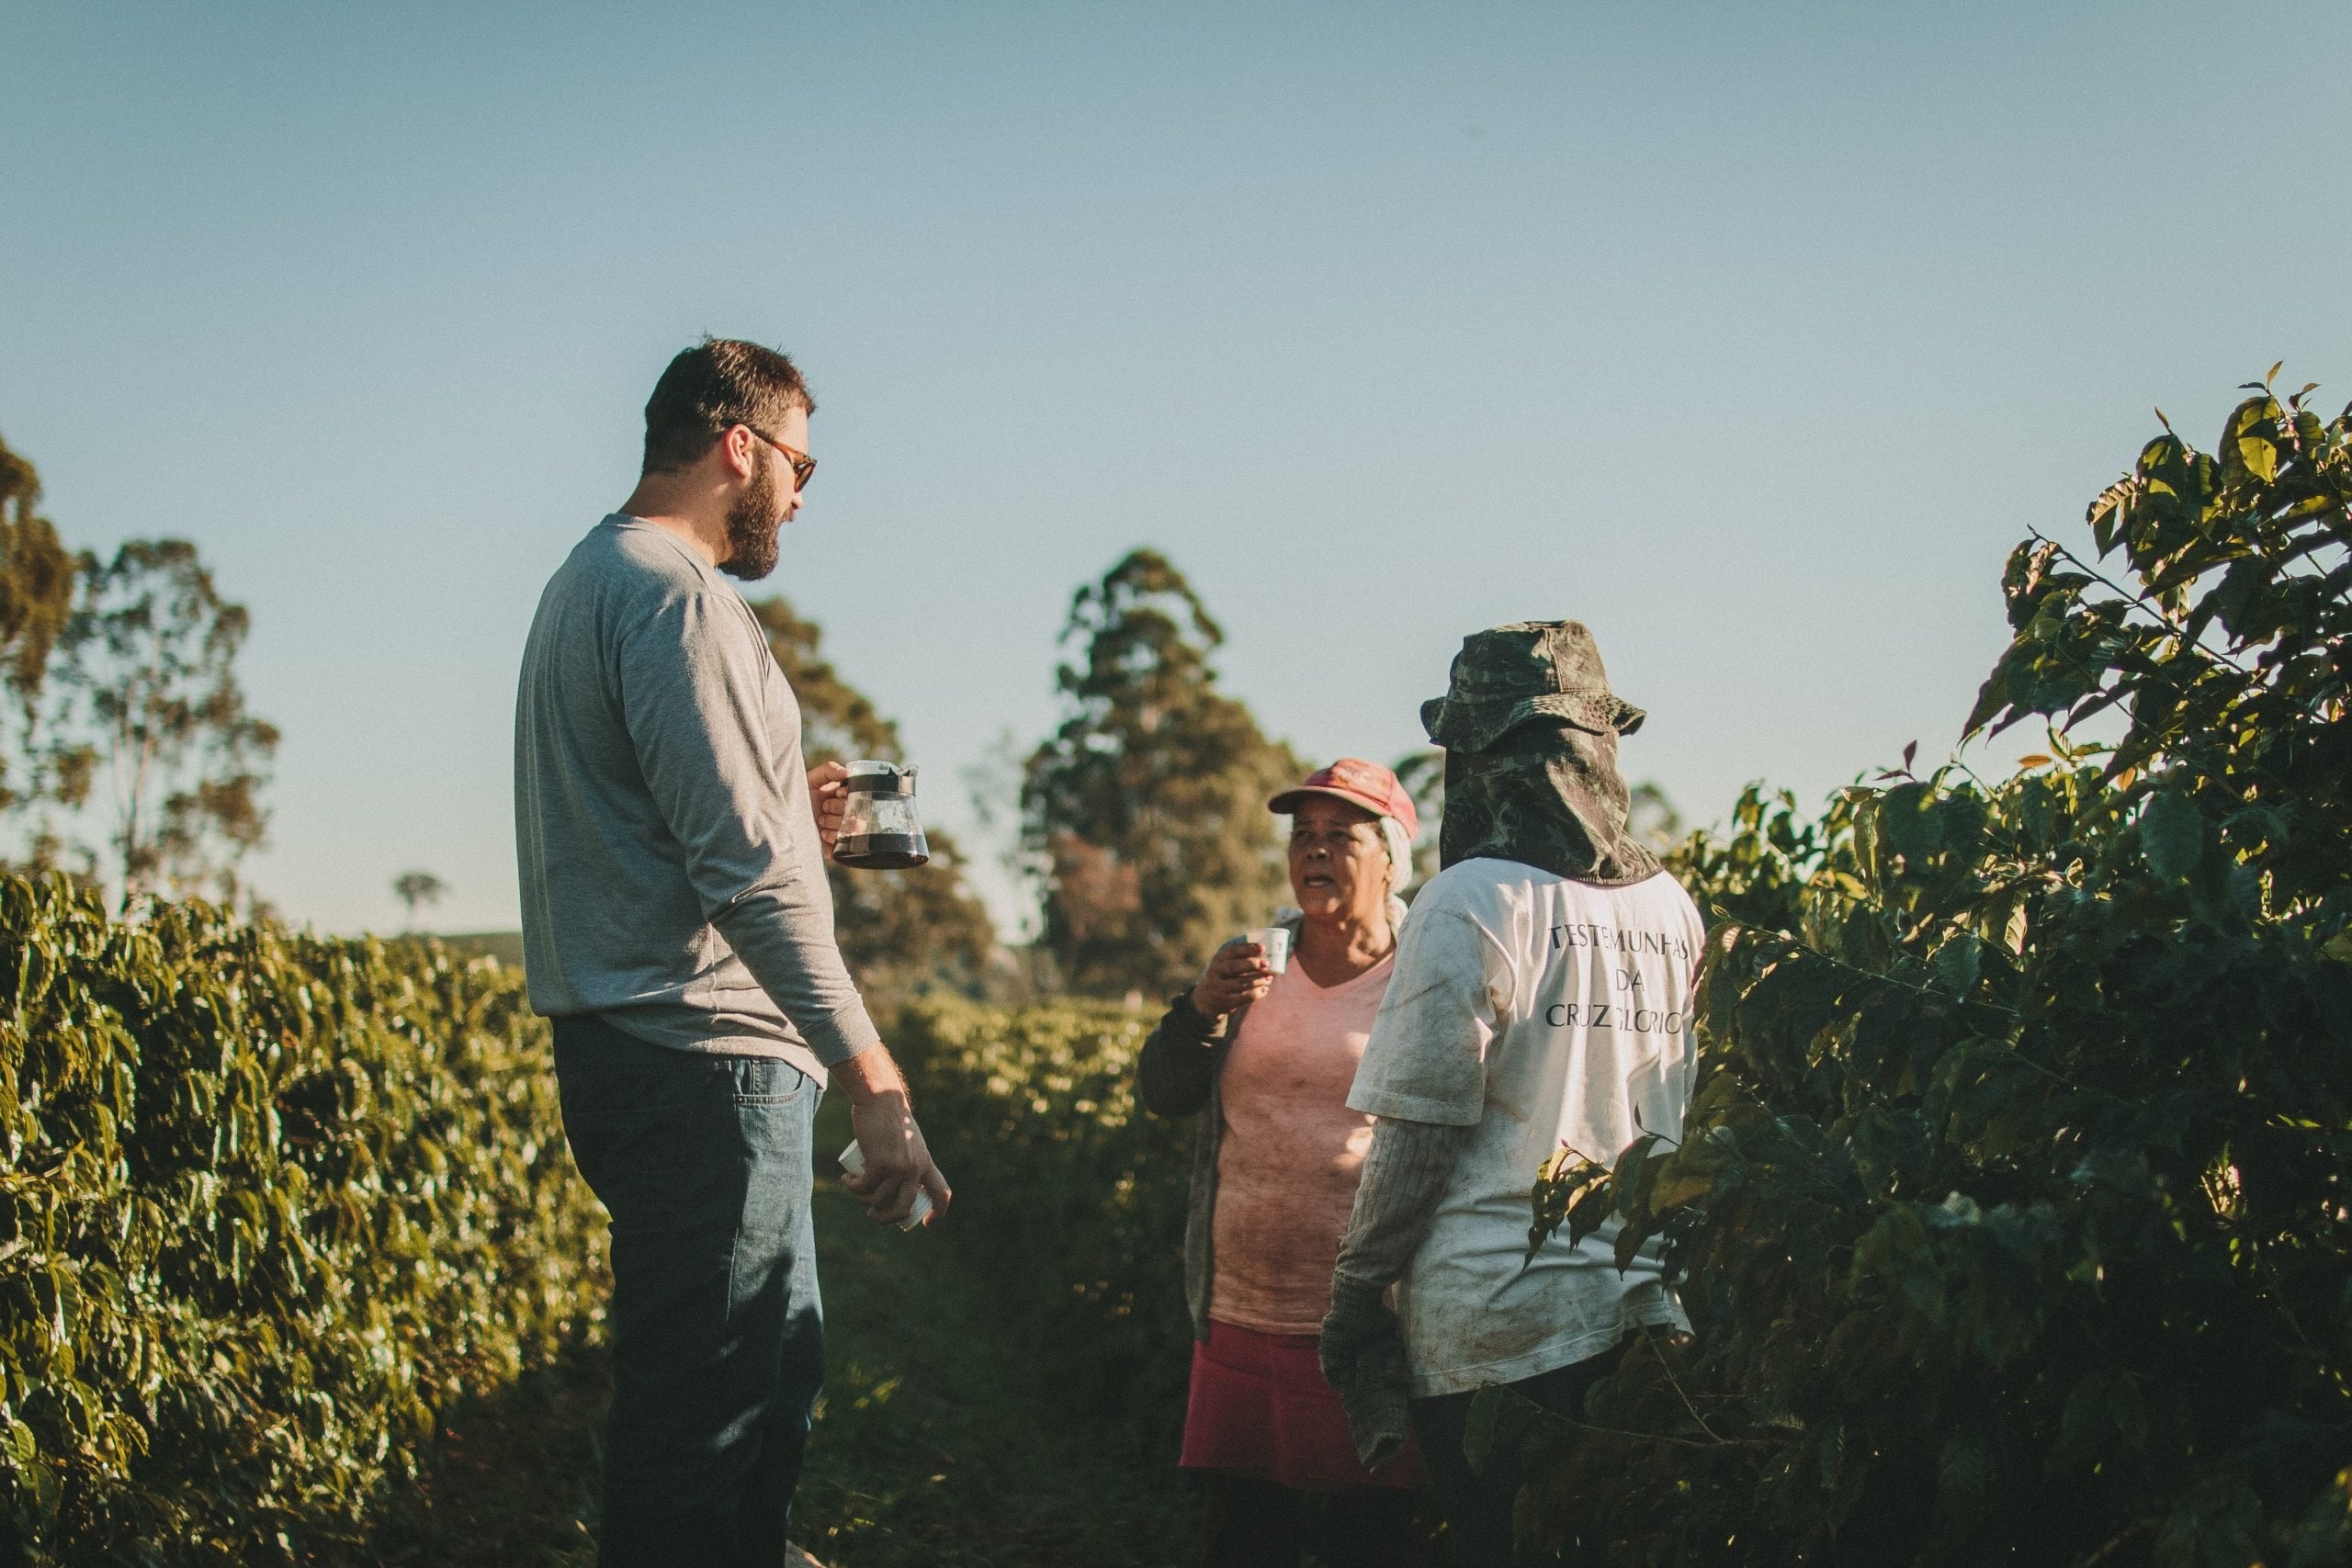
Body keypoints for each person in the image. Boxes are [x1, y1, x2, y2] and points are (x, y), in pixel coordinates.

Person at [514, 337, 952, 1568]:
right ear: (737, 444)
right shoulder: (677, 596)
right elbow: (748, 880)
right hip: (705, 1063)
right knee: (699, 1437)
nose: (804, 495)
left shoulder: (587, 579)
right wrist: (877, 1083)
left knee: (769, 1379)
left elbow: (687, 834)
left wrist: (791, 823)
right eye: (801, 464)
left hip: (656, 1056)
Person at [1317, 622, 1705, 1567]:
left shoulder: (1469, 900)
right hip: (1638, 1313)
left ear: (1479, 757)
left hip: (1495, 1329)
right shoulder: (1670, 906)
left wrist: (1356, 1292)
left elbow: (1416, 1136)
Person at [1136, 758, 1436, 1568]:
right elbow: (1163, 1093)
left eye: (1340, 836)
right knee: (1240, 1535)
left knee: (1362, 1540)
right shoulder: (1251, 968)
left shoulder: (1421, 981)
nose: (1315, 851)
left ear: (1390, 858)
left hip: (1362, 1323)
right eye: (1303, 836)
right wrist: (1201, 1007)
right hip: (1239, 1309)